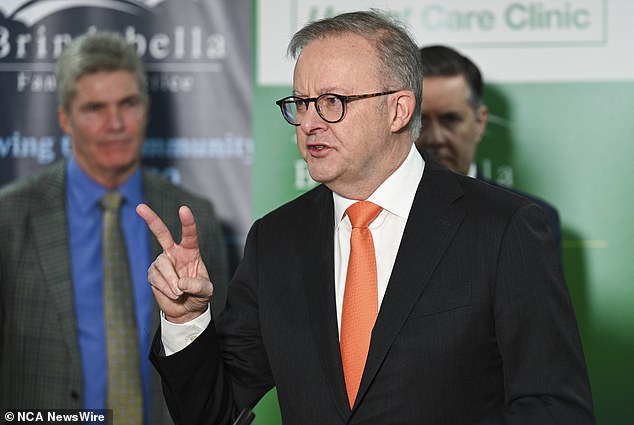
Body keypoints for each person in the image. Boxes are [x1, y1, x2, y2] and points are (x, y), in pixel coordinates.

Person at [137, 10, 594, 425]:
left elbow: (553, 406)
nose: (311, 122)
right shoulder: (275, 239)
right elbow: (210, 414)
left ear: (398, 109)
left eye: (333, 101)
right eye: (301, 102)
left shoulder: (502, 227)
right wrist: (186, 319)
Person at [0, 32, 229, 425]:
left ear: (146, 107)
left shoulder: (194, 219)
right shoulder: (9, 217)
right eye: (95, 108)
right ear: (64, 119)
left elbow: (216, 366)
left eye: (128, 104)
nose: (117, 123)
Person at [416, 44, 562, 255]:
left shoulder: (530, 220)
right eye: (420, 120)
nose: (436, 138)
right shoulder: (368, 216)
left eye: (451, 119)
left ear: (480, 122)